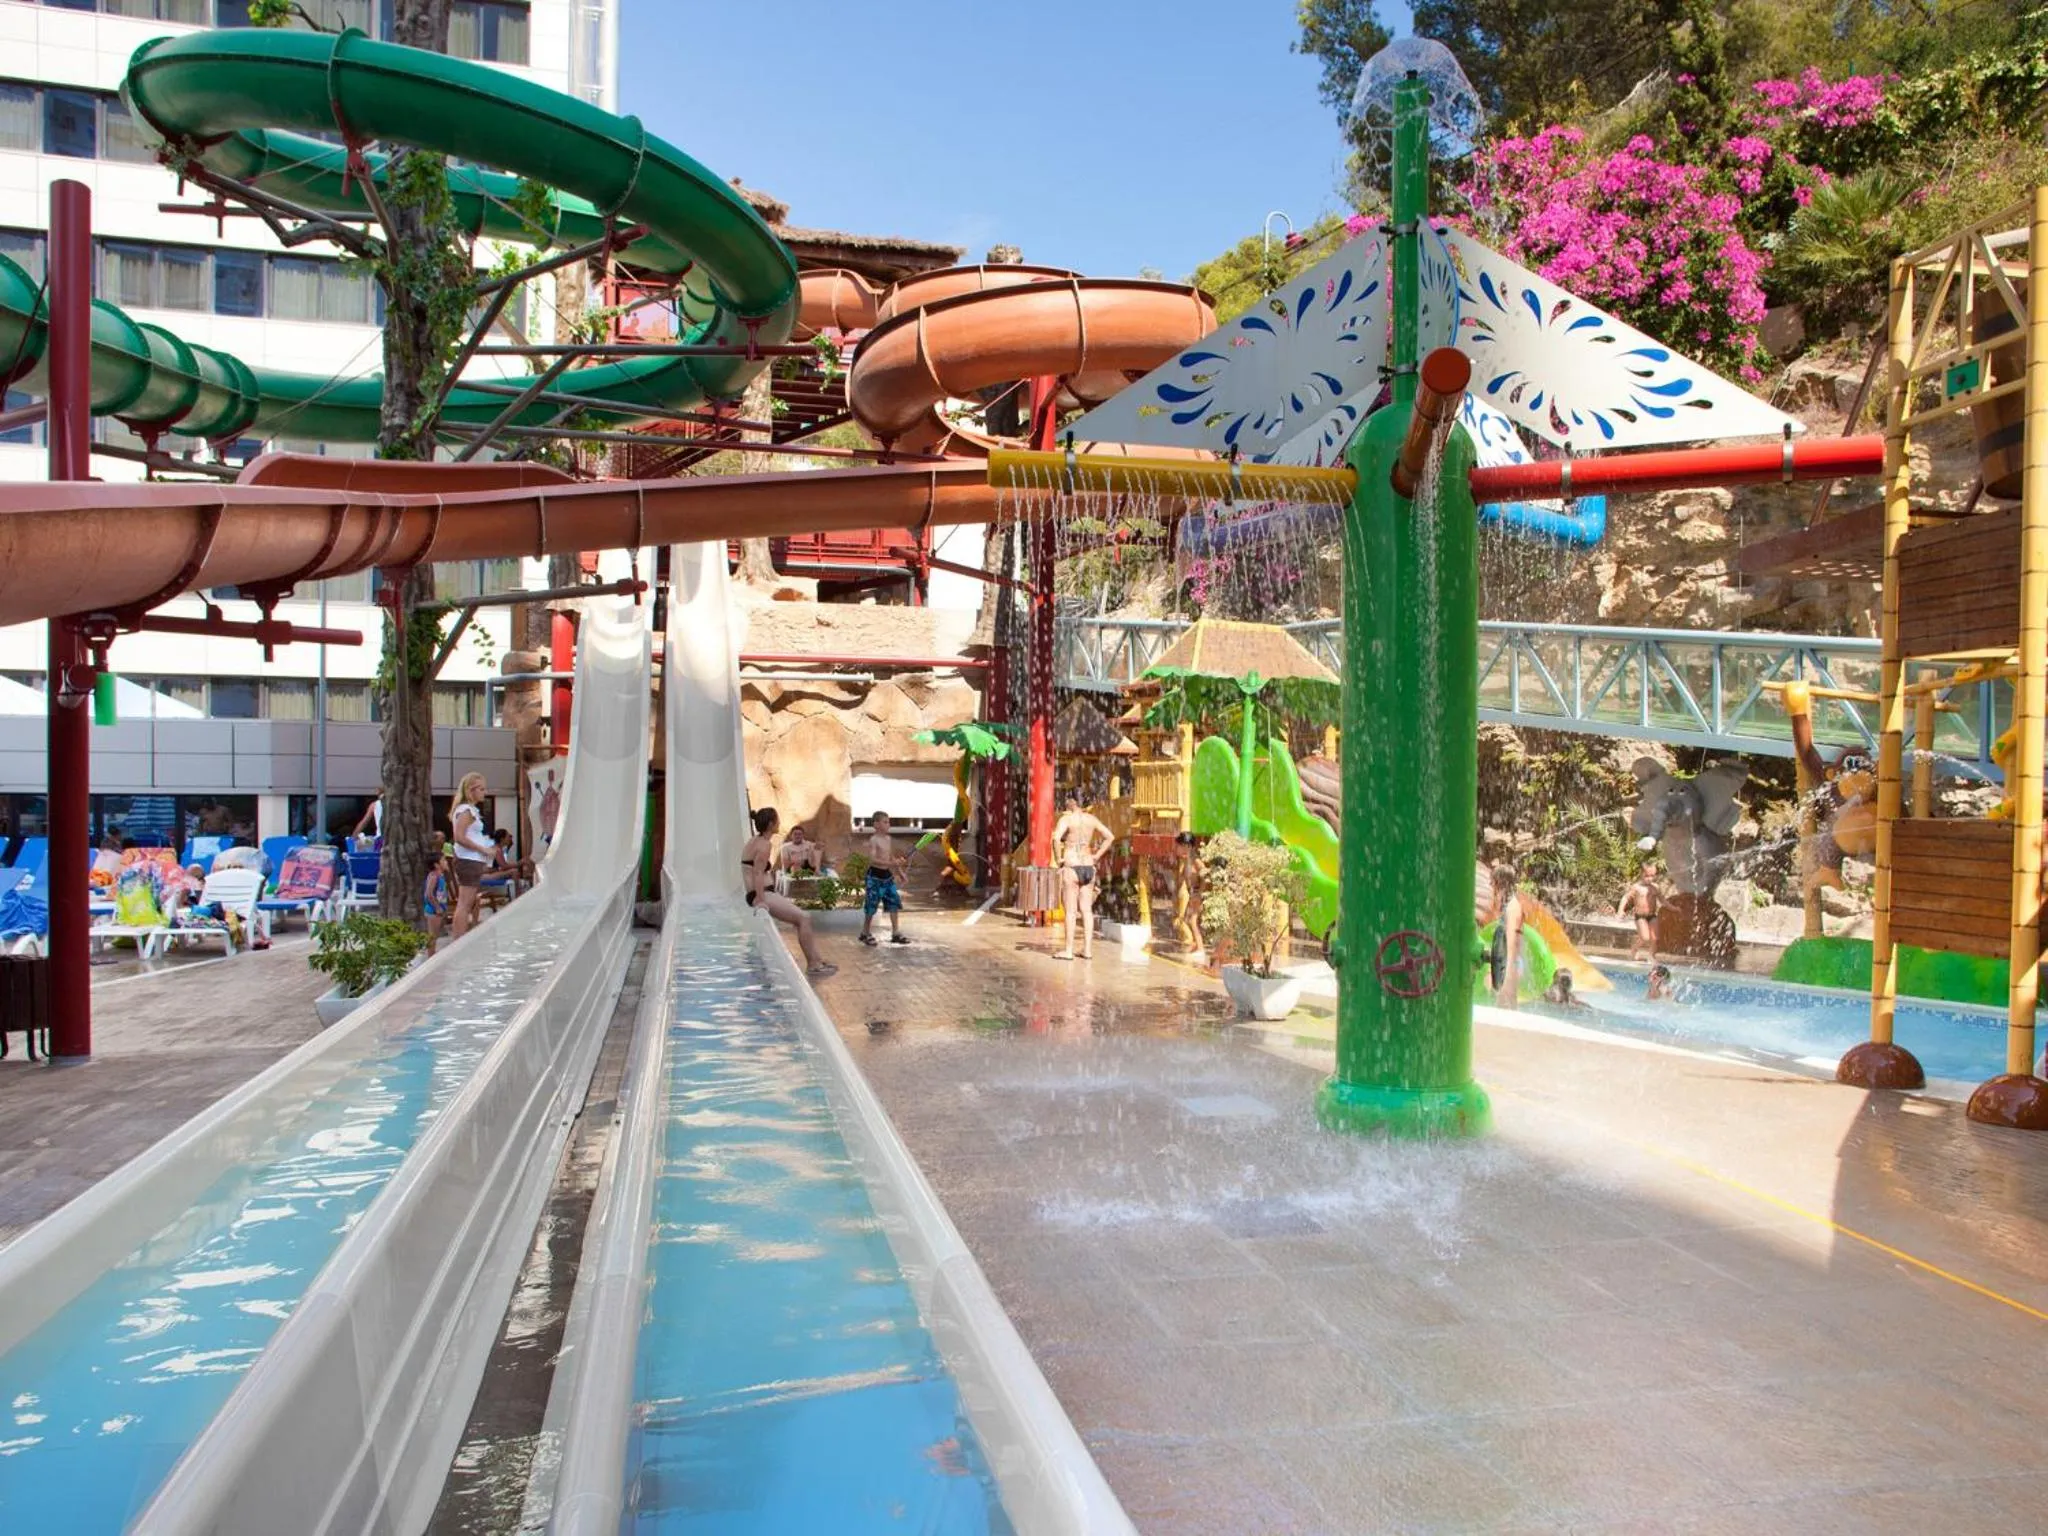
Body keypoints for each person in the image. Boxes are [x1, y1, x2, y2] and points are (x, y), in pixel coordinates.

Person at [741, 806, 836, 975]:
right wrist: (761, 900)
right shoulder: (764, 845)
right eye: (777, 820)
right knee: (804, 918)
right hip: (761, 893)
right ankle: (814, 964)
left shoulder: (754, 841)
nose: (780, 823)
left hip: (764, 891)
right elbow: (757, 872)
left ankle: (817, 959)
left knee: (801, 918)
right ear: (771, 824)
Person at [1051, 792, 1114, 961]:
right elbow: (1110, 837)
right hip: (1088, 865)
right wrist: (1097, 855)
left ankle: (1069, 950)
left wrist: (1059, 859)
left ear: (1072, 802)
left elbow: (1056, 839)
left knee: (1071, 911)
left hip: (1072, 866)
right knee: (1087, 910)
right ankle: (1087, 950)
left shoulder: (1066, 819)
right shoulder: (1091, 819)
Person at [449, 772, 496, 939]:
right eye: (481, 789)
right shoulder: (466, 811)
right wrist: (483, 849)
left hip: (471, 860)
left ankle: (459, 938)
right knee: (464, 904)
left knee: (466, 903)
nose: (485, 792)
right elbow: (459, 837)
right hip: (469, 860)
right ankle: (457, 941)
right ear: (471, 790)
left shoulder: (468, 810)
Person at [858, 812, 910, 947]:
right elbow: (873, 860)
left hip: (887, 876)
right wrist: (893, 864)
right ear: (876, 824)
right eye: (885, 822)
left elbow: (891, 857)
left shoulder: (888, 839)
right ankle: (865, 933)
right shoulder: (873, 840)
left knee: (894, 902)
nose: (888, 825)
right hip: (874, 877)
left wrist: (900, 872)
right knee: (871, 905)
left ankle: (896, 933)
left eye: (888, 822)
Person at [1489, 863, 1526, 1009]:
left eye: (1493, 881)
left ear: (1500, 882)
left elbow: (1512, 940)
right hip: (1508, 960)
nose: (1491, 884)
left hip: (1510, 961)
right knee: (1506, 1002)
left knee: (1506, 1002)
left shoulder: (1512, 907)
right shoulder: (1508, 905)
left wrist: (1508, 969)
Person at [1619, 862, 1663, 963]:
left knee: (1655, 938)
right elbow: (1625, 898)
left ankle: (1651, 956)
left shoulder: (1655, 887)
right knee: (1645, 937)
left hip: (1652, 916)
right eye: (1647, 876)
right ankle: (1634, 948)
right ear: (1641, 874)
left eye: (1652, 876)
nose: (1650, 878)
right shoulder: (1636, 887)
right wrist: (1621, 910)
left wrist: (1673, 908)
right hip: (1640, 916)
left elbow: (1663, 900)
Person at [422, 850, 451, 953]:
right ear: (436, 865)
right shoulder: (434, 876)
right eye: (443, 860)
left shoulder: (440, 876)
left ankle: (432, 954)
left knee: (435, 935)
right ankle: (431, 956)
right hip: (433, 910)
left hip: (438, 909)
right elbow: (429, 894)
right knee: (432, 936)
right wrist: (437, 907)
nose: (446, 862)